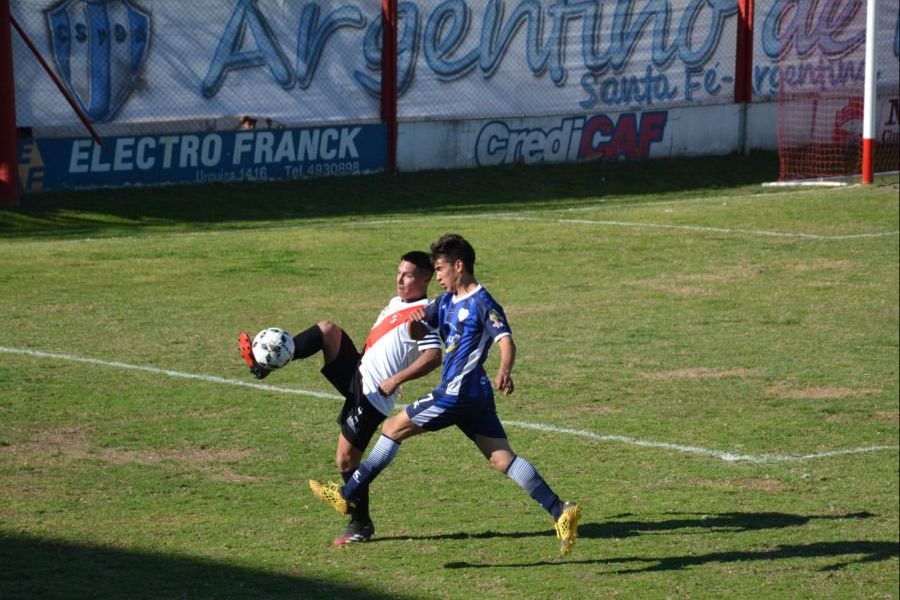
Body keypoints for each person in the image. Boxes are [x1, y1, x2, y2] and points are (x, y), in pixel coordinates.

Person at [309, 234, 581, 555]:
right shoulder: (445, 301)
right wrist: (414, 324)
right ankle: (560, 510)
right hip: (476, 397)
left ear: (459, 266)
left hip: (456, 393)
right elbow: (418, 330)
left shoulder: (483, 303)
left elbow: (506, 341)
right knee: (501, 458)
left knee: (391, 428)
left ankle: (348, 493)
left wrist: (505, 369)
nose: (437, 276)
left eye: (440, 269)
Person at [239, 251, 442, 546]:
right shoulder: (397, 302)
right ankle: (265, 364)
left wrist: (398, 378)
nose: (399, 279)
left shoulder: (426, 312)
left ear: (425, 279)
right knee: (327, 331)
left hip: (373, 395)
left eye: (408, 275)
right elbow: (389, 344)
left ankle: (361, 524)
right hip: (361, 373)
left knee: (346, 460)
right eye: (398, 272)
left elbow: (433, 356)